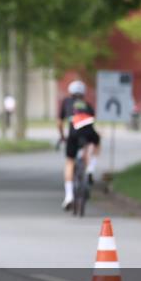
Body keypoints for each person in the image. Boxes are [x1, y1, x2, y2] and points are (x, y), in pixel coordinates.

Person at [57, 79, 100, 210]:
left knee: (70, 162)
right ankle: (90, 169)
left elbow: (59, 122)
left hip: (73, 134)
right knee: (95, 143)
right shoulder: (87, 104)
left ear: (70, 92)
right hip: (87, 133)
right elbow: (92, 121)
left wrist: (62, 136)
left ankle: (69, 196)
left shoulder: (66, 103)